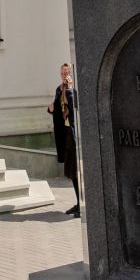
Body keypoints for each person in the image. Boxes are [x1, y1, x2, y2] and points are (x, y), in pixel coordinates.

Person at [48, 62, 80, 217]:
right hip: (65, 135)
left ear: (71, 75)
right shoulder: (58, 89)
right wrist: (51, 109)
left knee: (77, 171)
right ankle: (79, 203)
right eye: (62, 74)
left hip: (75, 137)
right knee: (72, 173)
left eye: (67, 74)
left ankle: (82, 205)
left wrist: (70, 90)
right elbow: (57, 110)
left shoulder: (73, 91)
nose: (64, 76)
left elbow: (74, 107)